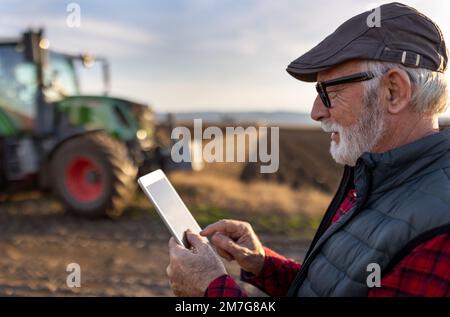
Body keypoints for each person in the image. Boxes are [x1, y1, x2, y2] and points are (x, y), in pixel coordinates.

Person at [167, 2, 450, 297]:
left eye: (329, 92)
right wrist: (264, 264)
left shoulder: (439, 235)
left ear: (394, 91)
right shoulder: (377, 181)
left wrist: (211, 291)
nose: (316, 112)